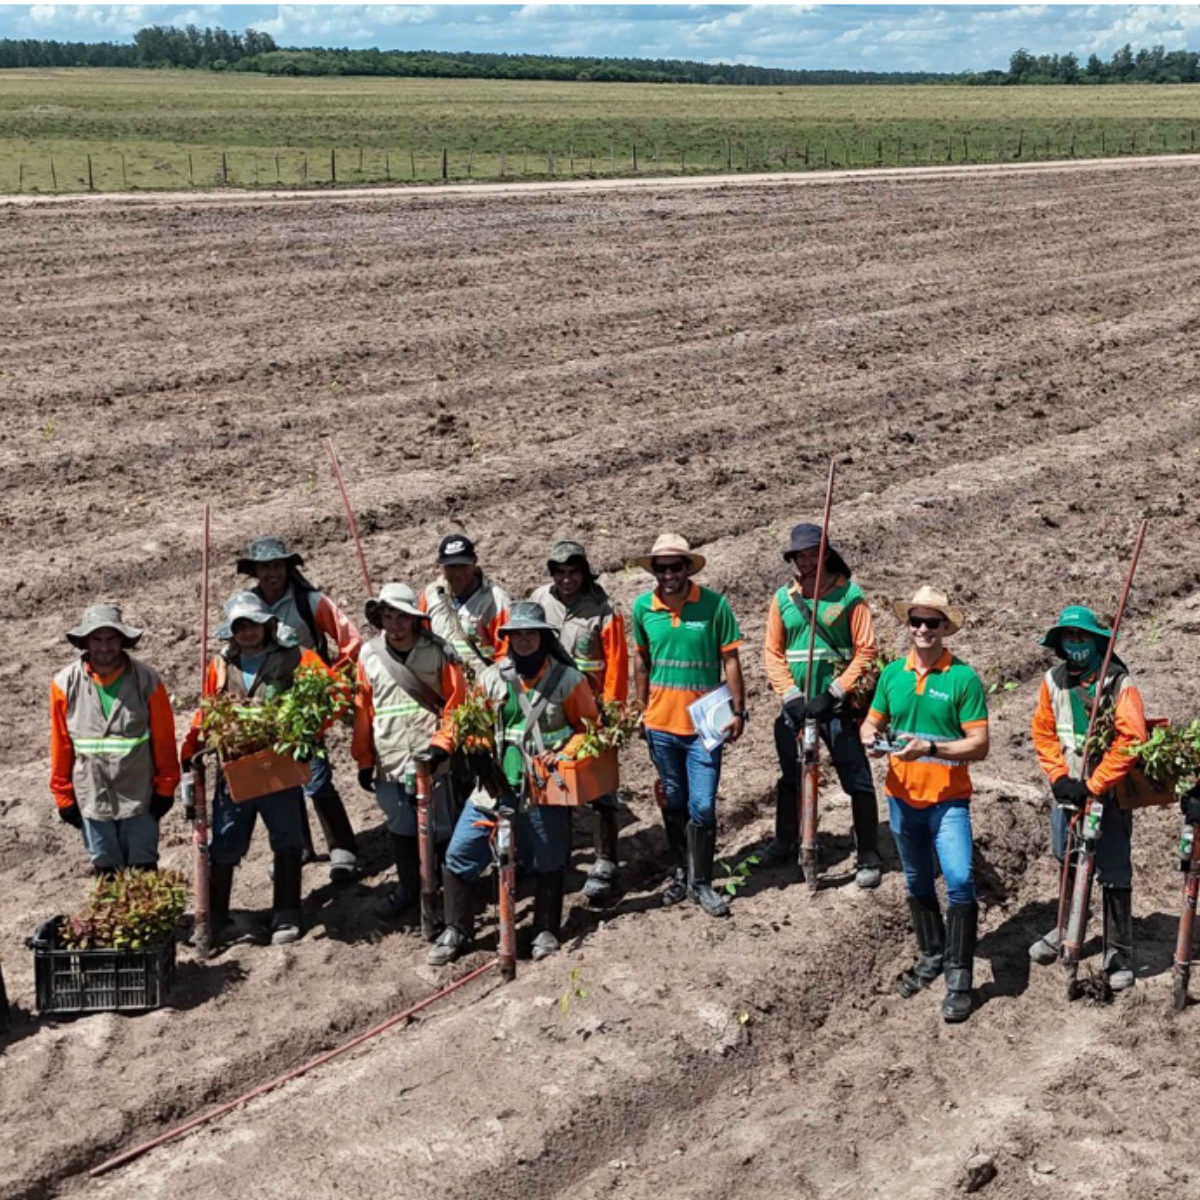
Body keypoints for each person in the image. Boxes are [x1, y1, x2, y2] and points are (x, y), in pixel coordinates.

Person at [428, 602, 598, 966]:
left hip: (543, 789)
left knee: (550, 859)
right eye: (516, 634)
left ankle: (545, 929)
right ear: (506, 639)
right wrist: (441, 747)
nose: (523, 640)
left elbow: (589, 729)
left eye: (530, 633)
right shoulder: (492, 678)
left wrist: (565, 755)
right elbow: (464, 721)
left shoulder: (569, 680)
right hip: (493, 787)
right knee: (460, 854)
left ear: (543, 637)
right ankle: (458, 928)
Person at [860, 586, 989, 1023]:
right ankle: (932, 954)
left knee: (958, 879)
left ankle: (959, 977)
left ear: (944, 628)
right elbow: (872, 721)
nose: (921, 630)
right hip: (901, 798)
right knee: (916, 883)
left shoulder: (963, 679)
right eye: (915, 621)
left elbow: (979, 745)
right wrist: (870, 739)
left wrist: (931, 746)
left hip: (948, 801)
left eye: (931, 623)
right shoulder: (893, 674)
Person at [182, 592, 328, 946]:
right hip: (236, 768)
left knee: (287, 839)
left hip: (279, 765)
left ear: (268, 625)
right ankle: (216, 916)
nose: (248, 632)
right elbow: (207, 711)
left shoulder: (295, 657)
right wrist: (191, 751)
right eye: (240, 626)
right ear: (231, 631)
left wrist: (306, 733)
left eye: (255, 624)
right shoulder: (220, 664)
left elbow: (327, 695)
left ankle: (287, 913)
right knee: (226, 842)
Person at [1029, 605, 1147, 990]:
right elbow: (1044, 733)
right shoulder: (1052, 681)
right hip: (1067, 790)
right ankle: (1064, 929)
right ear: (1060, 644)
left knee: (1113, 869)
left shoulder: (1117, 682)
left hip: (1108, 793)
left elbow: (1132, 740)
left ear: (1096, 641)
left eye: (1082, 637)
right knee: (1066, 856)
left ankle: (1119, 953)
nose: (1075, 643)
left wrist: (1094, 784)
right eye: (1069, 637)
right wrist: (1059, 777)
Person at [763, 523, 883, 889]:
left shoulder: (849, 596)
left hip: (835, 708)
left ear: (826, 553)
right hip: (797, 707)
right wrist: (791, 696)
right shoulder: (784, 598)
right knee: (791, 777)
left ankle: (868, 853)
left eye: (813, 554)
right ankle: (786, 841)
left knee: (856, 777)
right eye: (800, 556)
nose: (807, 561)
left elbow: (867, 649)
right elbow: (773, 652)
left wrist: (834, 692)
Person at [632, 533, 746, 918]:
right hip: (661, 725)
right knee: (674, 800)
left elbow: (730, 661)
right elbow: (642, 661)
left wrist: (738, 710)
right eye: (661, 568)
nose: (668, 575)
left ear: (687, 569)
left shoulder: (714, 606)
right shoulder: (643, 608)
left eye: (675, 567)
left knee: (703, 804)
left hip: (704, 728)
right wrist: (640, 708)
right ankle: (682, 872)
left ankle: (701, 882)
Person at [239, 536, 363, 883]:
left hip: (307, 704)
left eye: (277, 566)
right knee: (280, 780)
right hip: (264, 706)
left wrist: (329, 682)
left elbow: (351, 641)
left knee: (316, 775)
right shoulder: (246, 607)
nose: (272, 573)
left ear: (287, 568)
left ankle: (342, 847)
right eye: (265, 567)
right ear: (256, 571)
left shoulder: (311, 601)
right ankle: (299, 847)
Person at [352, 582, 466, 923]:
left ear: (415, 620)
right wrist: (363, 759)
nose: (396, 624)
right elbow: (363, 710)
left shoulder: (440, 651)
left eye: (403, 616)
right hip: (389, 759)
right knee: (401, 827)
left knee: (441, 828)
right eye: (389, 616)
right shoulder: (369, 654)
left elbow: (457, 705)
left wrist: (442, 746)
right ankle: (408, 889)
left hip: (432, 758)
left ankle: (449, 895)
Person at [529, 539, 629, 905]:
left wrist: (611, 715)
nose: (566, 579)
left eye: (573, 572)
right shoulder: (540, 600)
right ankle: (560, 856)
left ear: (584, 573)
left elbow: (616, 665)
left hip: (593, 712)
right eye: (560, 572)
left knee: (601, 789)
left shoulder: (603, 609)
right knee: (554, 784)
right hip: (551, 711)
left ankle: (605, 860)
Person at [49, 604, 180, 874]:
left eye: (111, 639)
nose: (104, 647)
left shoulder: (147, 680)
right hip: (92, 796)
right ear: (86, 642)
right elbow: (61, 744)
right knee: (106, 869)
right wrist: (63, 797)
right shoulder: (64, 684)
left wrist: (165, 788)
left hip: (140, 795)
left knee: (144, 868)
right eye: (97, 639)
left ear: (122, 641)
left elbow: (165, 740)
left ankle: (148, 917)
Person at [420, 533, 511, 679]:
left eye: (463, 566)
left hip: (482, 687)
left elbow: (504, 654)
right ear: (441, 566)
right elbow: (422, 639)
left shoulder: (495, 599)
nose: (458, 573)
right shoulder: (431, 594)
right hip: (444, 686)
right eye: (451, 566)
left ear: (474, 563)